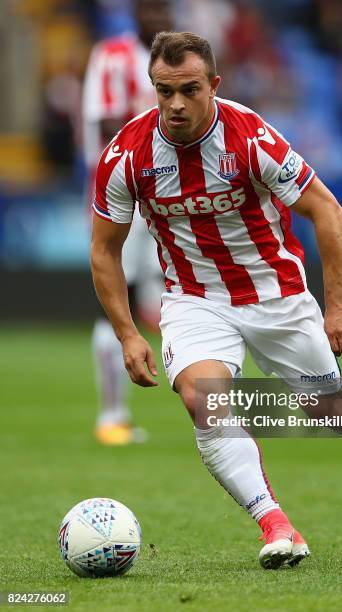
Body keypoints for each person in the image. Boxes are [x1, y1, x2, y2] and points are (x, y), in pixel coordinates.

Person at [90, 32, 342, 568]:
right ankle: (276, 524)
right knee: (203, 401)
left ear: (213, 85)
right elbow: (104, 249)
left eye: (188, 90)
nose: (174, 104)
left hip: (276, 294)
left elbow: (326, 210)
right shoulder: (126, 155)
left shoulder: (251, 138)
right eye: (163, 91)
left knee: (327, 407)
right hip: (194, 299)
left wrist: (338, 305)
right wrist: (128, 332)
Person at [83, 0, 172, 445]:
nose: (157, 15)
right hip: (125, 195)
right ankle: (112, 415)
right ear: (134, 11)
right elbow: (103, 126)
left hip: (168, 196)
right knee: (119, 298)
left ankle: (212, 404)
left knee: (178, 293)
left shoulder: (175, 58)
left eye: (163, 7)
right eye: (149, 7)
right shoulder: (112, 56)